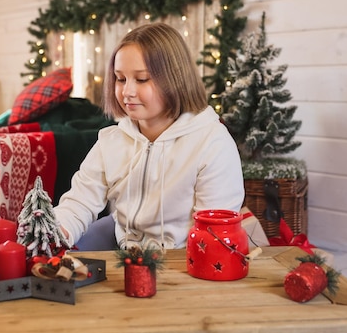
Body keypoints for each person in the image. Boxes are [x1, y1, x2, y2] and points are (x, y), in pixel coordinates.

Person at [54, 22, 244, 251]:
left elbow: (213, 233)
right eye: (120, 79)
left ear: (175, 78)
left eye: (142, 79)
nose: (127, 92)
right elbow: (79, 202)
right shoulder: (111, 141)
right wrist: (58, 229)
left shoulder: (212, 143)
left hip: (183, 263)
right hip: (126, 254)